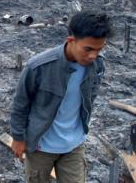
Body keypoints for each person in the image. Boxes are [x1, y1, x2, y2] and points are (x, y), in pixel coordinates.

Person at [10, 11, 113, 182]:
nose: (93, 55)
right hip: (40, 147)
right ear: (71, 40)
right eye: (88, 49)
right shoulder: (39, 67)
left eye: (99, 49)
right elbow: (21, 104)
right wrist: (18, 138)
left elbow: (90, 99)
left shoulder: (97, 65)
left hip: (74, 145)